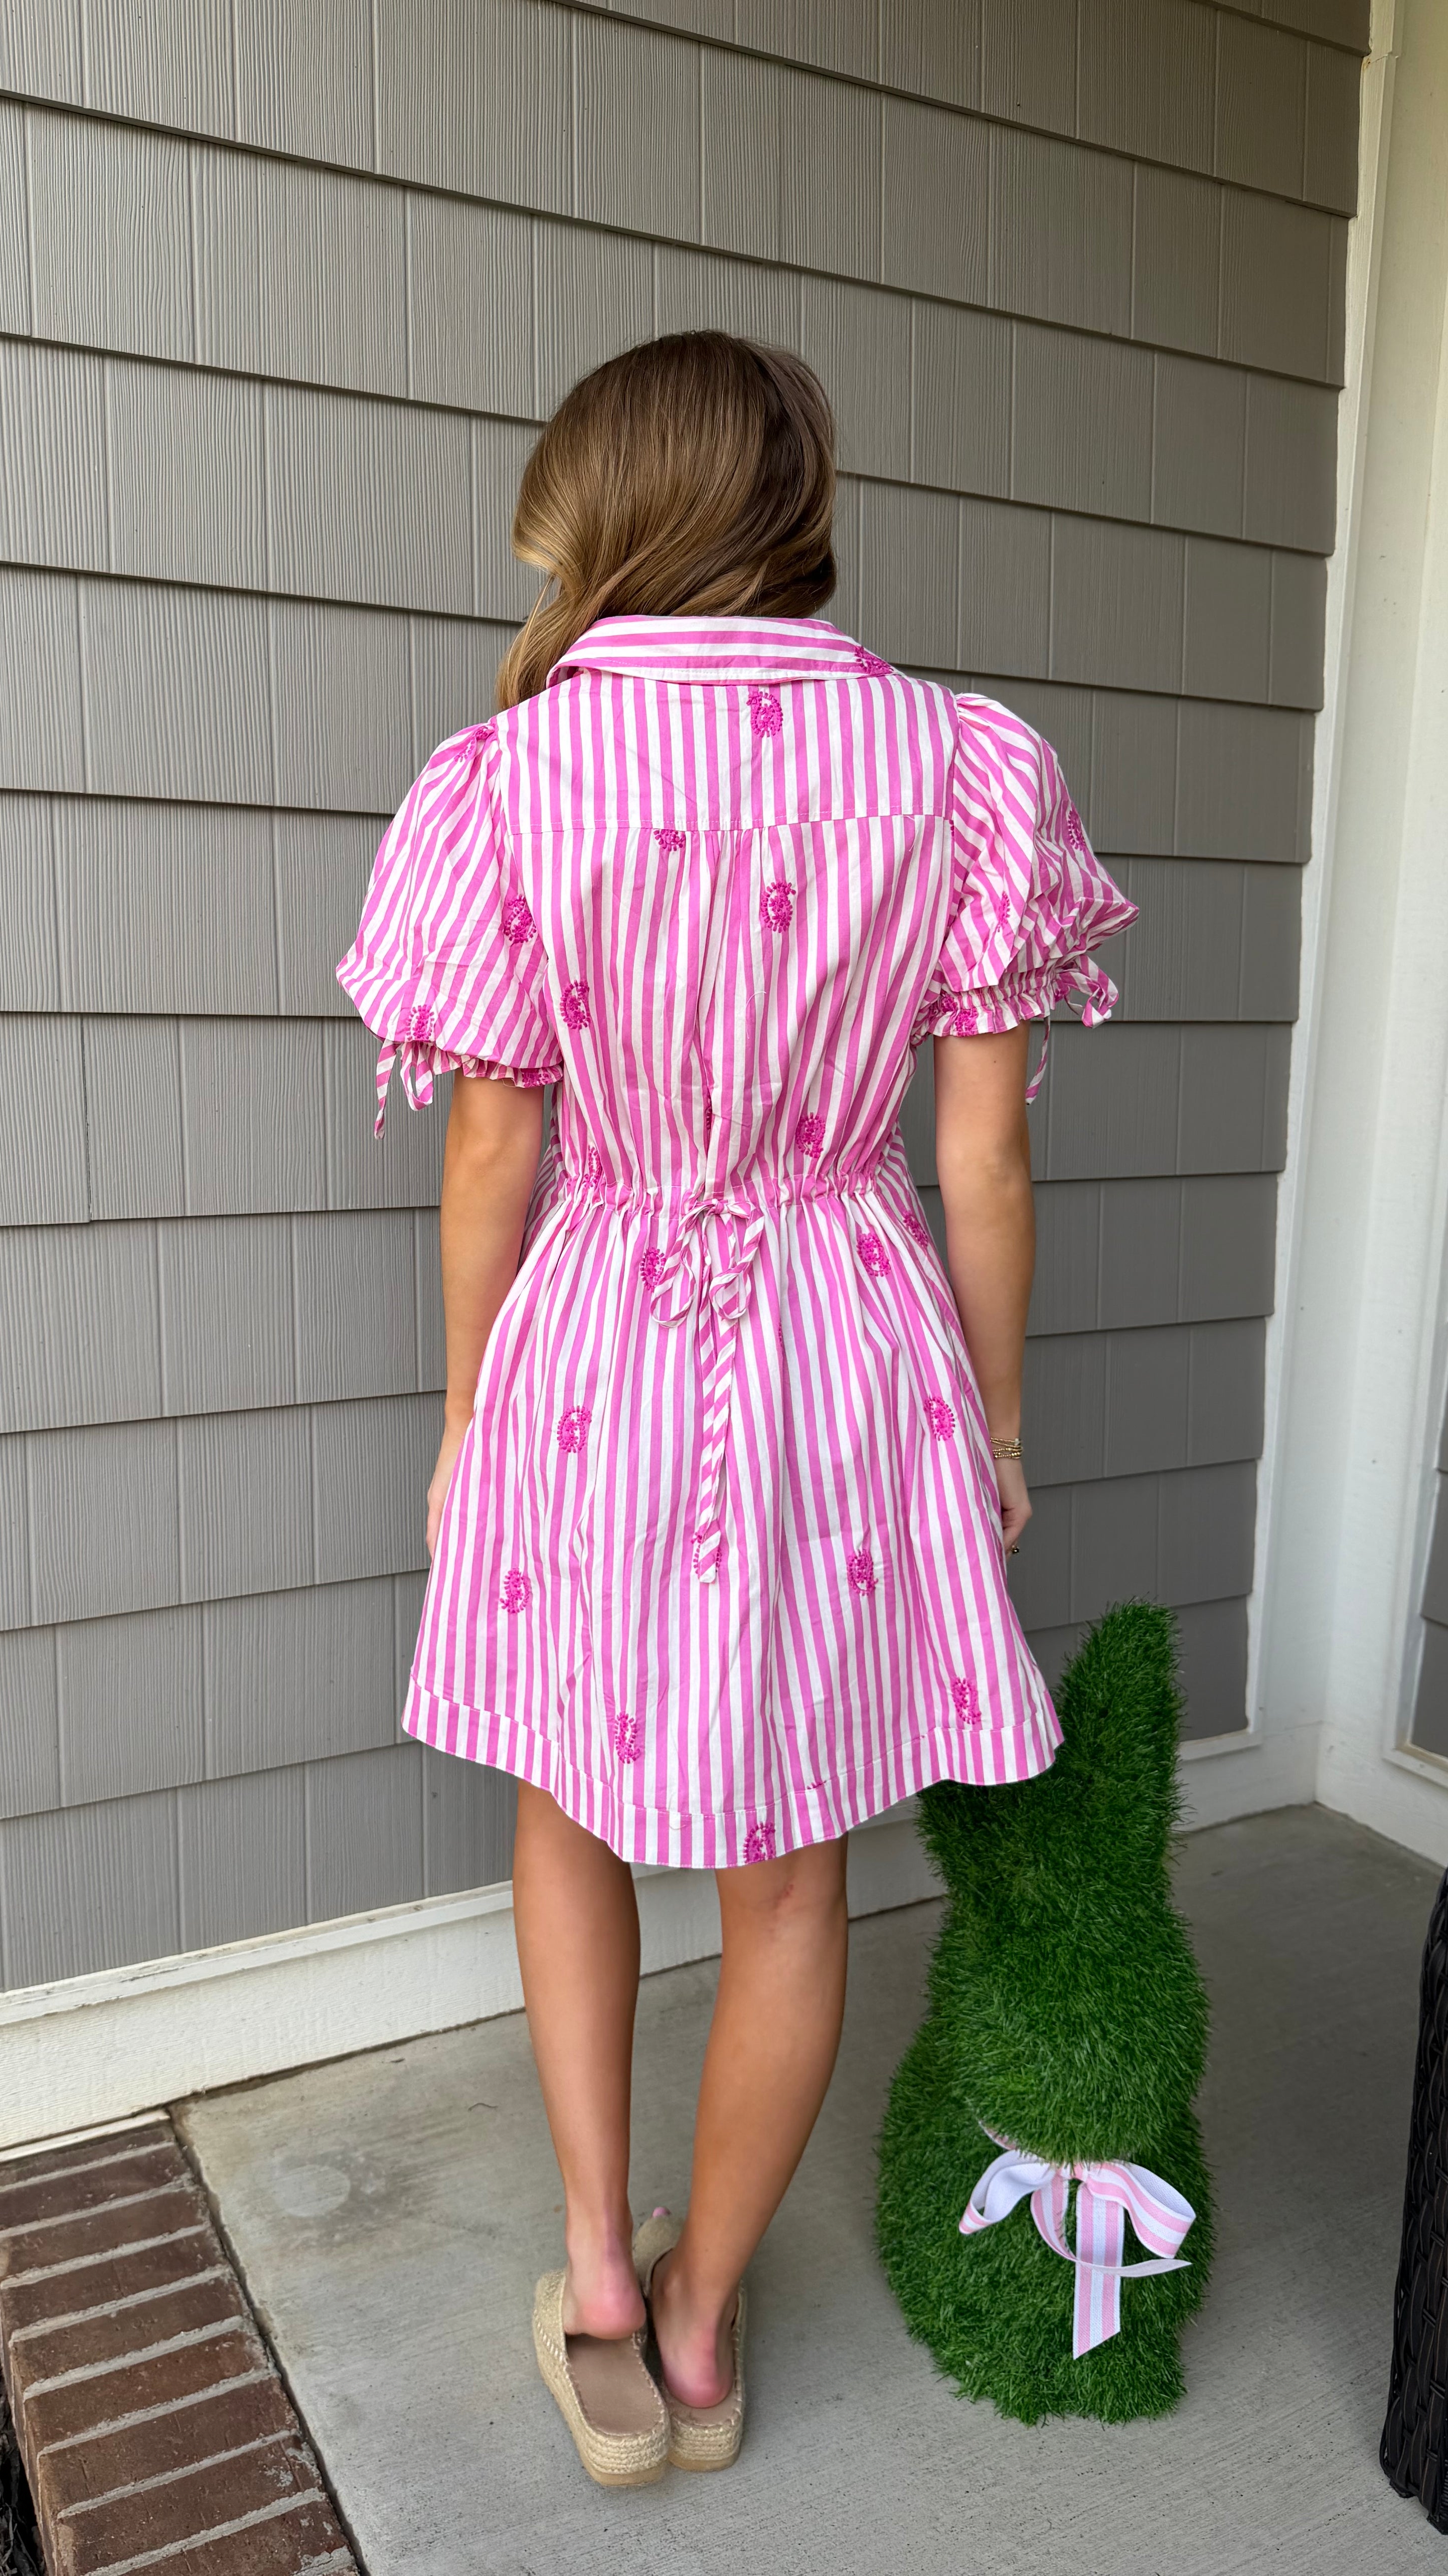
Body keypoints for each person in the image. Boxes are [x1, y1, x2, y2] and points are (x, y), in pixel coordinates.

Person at [336, 331, 1137, 2489]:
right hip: (847, 1330)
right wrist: (991, 1414)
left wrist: (463, 1408)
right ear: (792, 508)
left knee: (569, 1793)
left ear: (604, 511)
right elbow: (982, 1158)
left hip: (599, 1322)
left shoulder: (509, 776)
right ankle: (698, 2334)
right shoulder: (957, 762)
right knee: (800, 1875)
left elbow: (495, 1151)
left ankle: (600, 2274)